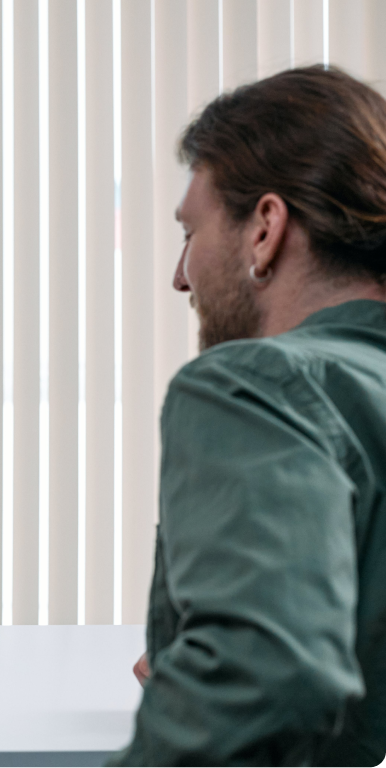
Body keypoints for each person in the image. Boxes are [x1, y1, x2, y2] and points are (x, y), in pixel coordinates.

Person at [108, 66, 386, 767]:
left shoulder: (259, 384)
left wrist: (213, 673)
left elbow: (264, 675)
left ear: (265, 228)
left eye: (190, 232)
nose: (180, 274)